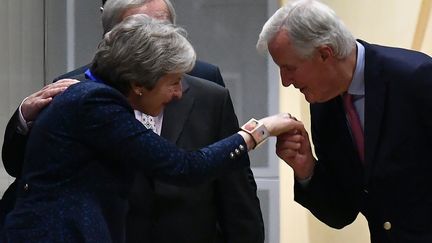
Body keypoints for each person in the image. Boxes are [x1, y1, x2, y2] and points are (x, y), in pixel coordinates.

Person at [0, 15, 301, 242]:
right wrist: (259, 131)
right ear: (138, 84)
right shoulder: (95, 102)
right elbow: (184, 166)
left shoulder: (90, 95)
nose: (179, 93)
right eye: (172, 82)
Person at [256, 0, 432, 242]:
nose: (285, 81)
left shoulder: (416, 77)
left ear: (324, 54)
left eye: (289, 68)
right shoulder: (323, 104)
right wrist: (307, 169)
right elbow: (341, 213)